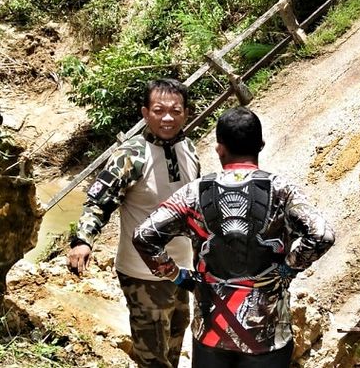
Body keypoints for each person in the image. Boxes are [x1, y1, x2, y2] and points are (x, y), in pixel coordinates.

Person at [133, 106, 335, 368]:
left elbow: (144, 235)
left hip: (210, 334)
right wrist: (288, 269)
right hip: (267, 337)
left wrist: (176, 275)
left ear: (219, 148)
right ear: (261, 145)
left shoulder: (192, 193)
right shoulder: (282, 190)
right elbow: (322, 234)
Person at [67, 78, 200, 368]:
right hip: (142, 275)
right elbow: (99, 201)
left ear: (185, 113)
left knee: (174, 350)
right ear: (145, 113)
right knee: (152, 360)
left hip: (181, 272)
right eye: (159, 110)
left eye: (175, 111)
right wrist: (82, 240)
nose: (167, 117)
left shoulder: (189, 149)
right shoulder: (130, 155)